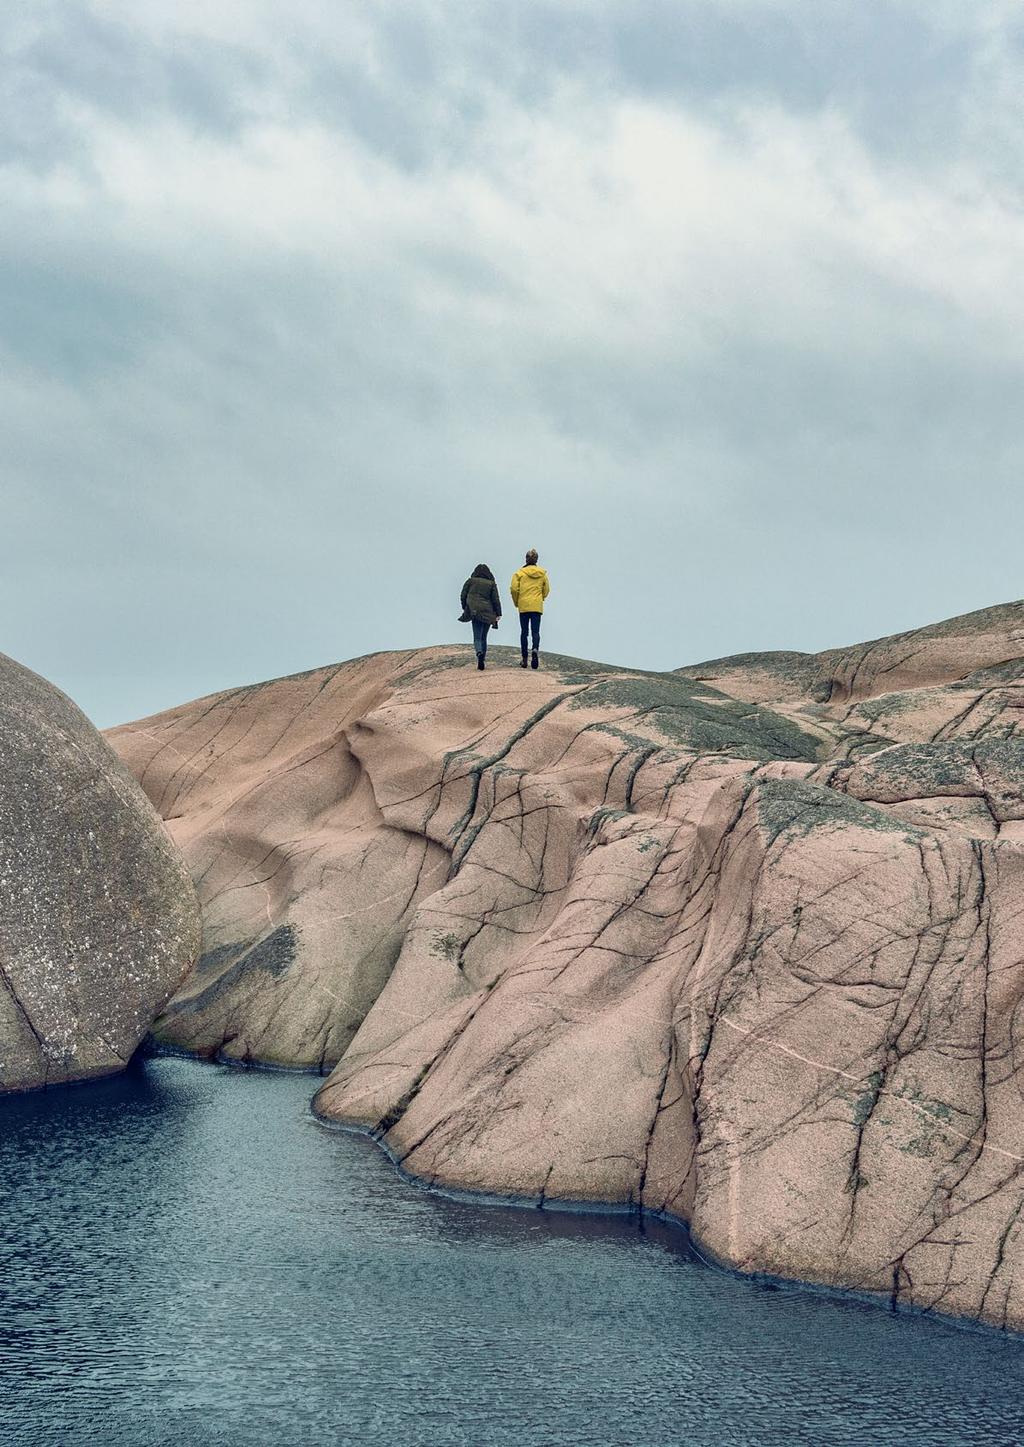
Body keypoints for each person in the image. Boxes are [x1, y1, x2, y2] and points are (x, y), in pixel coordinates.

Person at [510, 548, 550, 669]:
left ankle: (524, 659)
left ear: (526, 559)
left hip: (523, 606)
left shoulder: (519, 573)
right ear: (537, 560)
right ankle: (535, 649)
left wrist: (517, 602)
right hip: (536, 606)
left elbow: (513, 589)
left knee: (524, 632)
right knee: (536, 631)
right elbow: (547, 589)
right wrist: (540, 597)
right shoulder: (542, 574)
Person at [460, 563, 502, 669]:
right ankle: (482, 658)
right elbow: (496, 600)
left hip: (474, 611)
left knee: (477, 637)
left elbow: (463, 595)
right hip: (488, 613)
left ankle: (479, 652)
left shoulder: (470, 581)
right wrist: (498, 613)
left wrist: (465, 606)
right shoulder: (492, 584)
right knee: (484, 637)